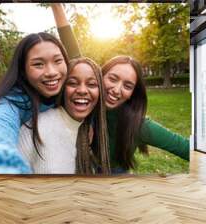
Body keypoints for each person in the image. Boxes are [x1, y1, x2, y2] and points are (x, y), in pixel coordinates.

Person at [51, 4, 189, 173]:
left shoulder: (139, 125)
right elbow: (70, 47)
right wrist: (56, 5)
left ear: (132, 94)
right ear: (99, 77)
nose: (117, 89)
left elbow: (185, 148)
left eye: (127, 85)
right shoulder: (86, 99)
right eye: (113, 78)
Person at [0, 32, 71, 174]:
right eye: (38, 64)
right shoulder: (15, 101)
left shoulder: (72, 89)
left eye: (57, 61)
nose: (51, 72)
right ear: (23, 71)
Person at [18, 57, 110, 174]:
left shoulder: (86, 131)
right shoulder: (36, 128)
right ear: (62, 88)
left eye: (91, 84)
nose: (82, 90)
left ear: (100, 92)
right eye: (72, 83)